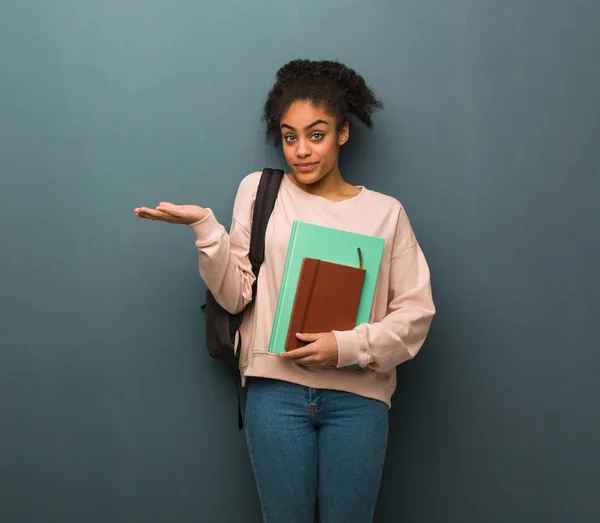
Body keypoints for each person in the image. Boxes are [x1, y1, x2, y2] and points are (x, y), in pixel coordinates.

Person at [134, 59, 435, 523]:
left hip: (358, 399)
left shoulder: (385, 213)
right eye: (290, 136)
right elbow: (235, 297)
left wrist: (345, 345)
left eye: (316, 134)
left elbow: (415, 313)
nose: (301, 150)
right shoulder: (260, 190)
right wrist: (204, 229)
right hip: (275, 394)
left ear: (343, 133)